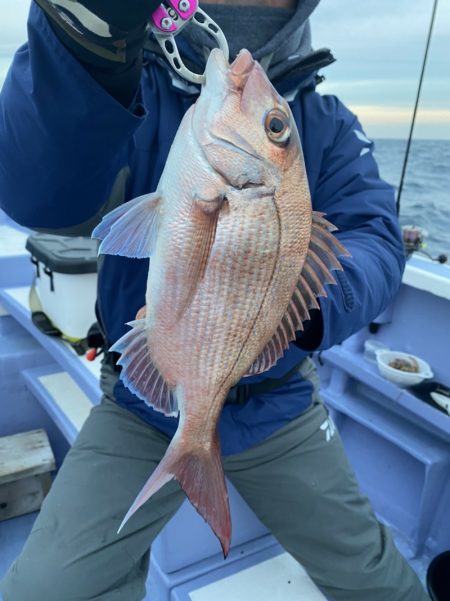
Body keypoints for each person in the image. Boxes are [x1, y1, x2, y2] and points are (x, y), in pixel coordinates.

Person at [0, 1, 431, 600]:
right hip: (139, 404)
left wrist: (289, 310)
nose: (247, 68)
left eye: (275, 126)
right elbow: (38, 193)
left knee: (375, 578)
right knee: (44, 589)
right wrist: (88, 41)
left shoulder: (325, 121)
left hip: (279, 406)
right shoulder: (127, 88)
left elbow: (375, 239)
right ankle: (190, 446)